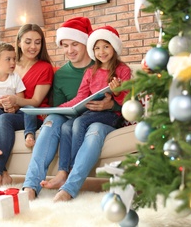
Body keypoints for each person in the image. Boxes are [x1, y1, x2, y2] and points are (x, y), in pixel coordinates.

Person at [22, 17, 120, 201]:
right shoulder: (61, 74)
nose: (69, 50)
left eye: (75, 44)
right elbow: (60, 108)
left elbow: (126, 99)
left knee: (95, 130)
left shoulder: (103, 64)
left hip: (100, 119)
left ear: (86, 43)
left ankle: (69, 188)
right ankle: (31, 185)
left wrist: (111, 104)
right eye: (65, 45)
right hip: (71, 119)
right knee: (51, 122)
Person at [42, 26, 131, 201]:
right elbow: (81, 96)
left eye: (106, 46)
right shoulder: (90, 71)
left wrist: (118, 92)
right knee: (67, 125)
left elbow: (127, 102)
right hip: (90, 113)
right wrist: (58, 109)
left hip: (112, 116)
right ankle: (63, 172)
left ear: (114, 48)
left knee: (78, 123)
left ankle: (73, 170)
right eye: (97, 48)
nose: (101, 52)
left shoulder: (122, 70)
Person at [0, 24, 54, 188]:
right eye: (28, 41)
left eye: (37, 42)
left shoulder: (44, 68)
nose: (33, 46)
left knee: (4, 119)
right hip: (5, 110)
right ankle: (3, 173)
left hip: (30, 114)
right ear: (19, 42)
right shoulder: (9, 64)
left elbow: (35, 102)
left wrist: (15, 102)